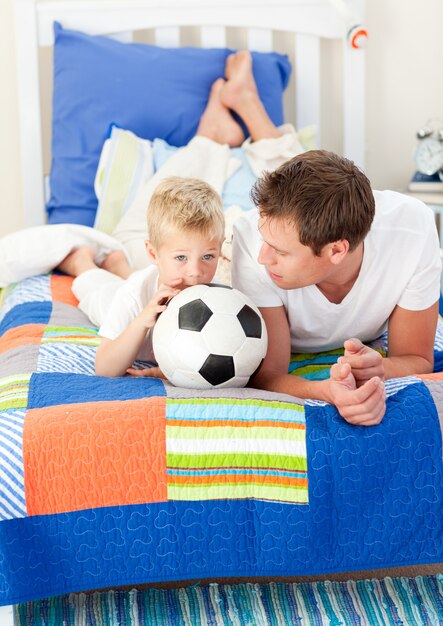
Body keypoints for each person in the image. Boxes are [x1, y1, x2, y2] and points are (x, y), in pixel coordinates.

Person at [231, 150, 442, 426]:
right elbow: (267, 373)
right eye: (264, 241)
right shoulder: (248, 239)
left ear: (337, 250)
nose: (263, 258)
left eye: (280, 252)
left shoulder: (412, 231)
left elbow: (415, 358)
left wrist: (380, 368)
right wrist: (325, 392)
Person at [58, 176, 225, 377]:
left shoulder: (222, 301)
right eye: (181, 257)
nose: (196, 271)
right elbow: (105, 368)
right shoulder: (131, 298)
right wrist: (141, 322)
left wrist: (168, 372)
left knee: (138, 277)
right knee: (95, 290)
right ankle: (82, 262)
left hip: (150, 277)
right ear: (153, 254)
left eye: (208, 256)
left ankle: (118, 265)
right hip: (120, 295)